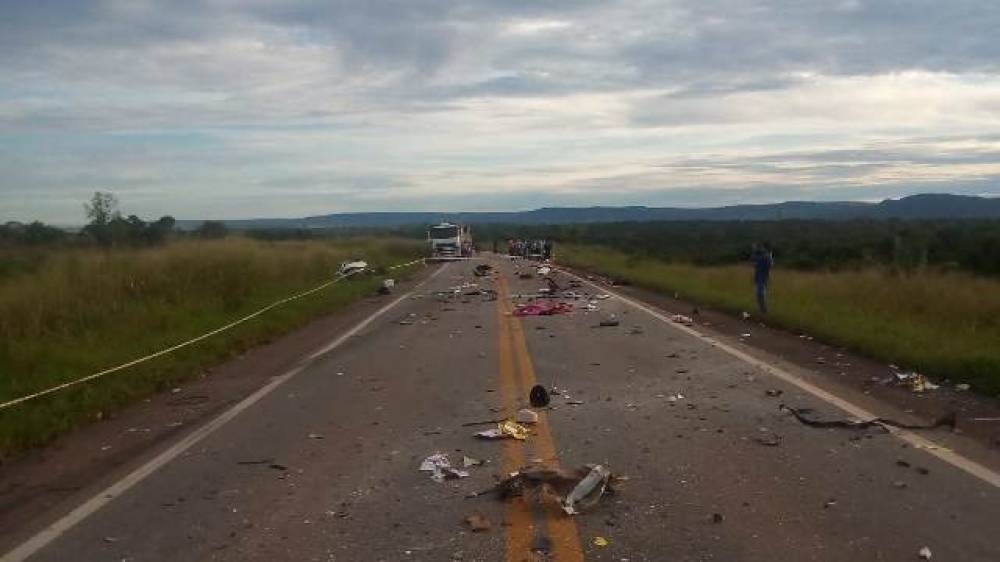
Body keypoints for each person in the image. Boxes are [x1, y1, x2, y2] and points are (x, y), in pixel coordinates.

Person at [751, 242, 773, 315]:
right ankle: (762, 310)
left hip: (762, 277)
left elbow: (755, 262)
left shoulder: (765, 257)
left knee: (760, 294)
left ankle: (763, 310)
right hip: (760, 276)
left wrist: (754, 251)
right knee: (759, 294)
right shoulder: (765, 256)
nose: (760, 249)